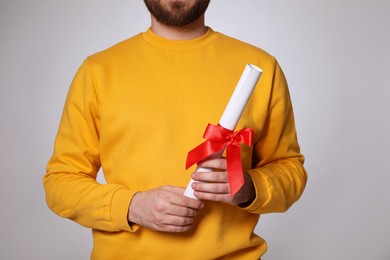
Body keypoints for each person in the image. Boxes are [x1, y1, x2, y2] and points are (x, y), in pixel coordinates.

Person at [44, 0, 308, 259]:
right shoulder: (98, 71)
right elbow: (60, 183)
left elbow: (290, 170)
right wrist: (132, 207)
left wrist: (249, 187)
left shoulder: (260, 66)